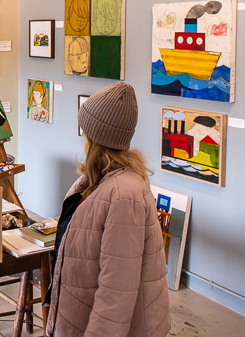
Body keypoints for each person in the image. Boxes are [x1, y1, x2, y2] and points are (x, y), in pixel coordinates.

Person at [46, 82, 171, 337]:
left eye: (85, 130)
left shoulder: (124, 196)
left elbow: (117, 292)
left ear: (95, 137)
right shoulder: (96, 182)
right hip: (80, 315)